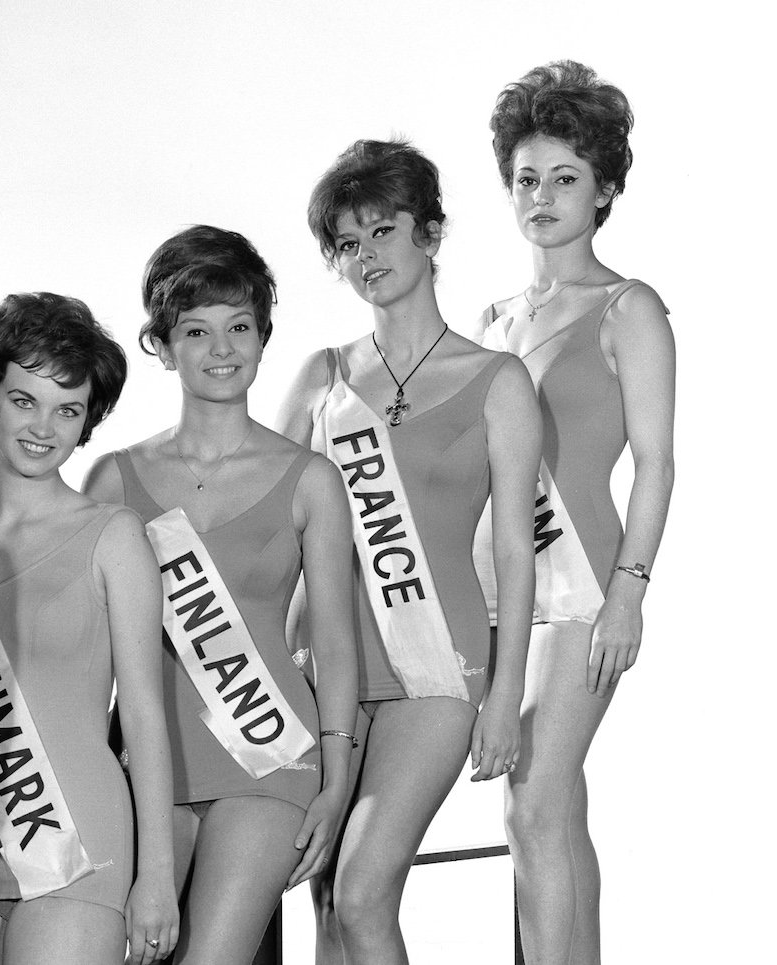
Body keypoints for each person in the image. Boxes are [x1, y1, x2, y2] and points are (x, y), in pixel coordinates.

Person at [275, 139, 541, 964]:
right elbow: (265, 518)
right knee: (325, 900)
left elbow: (517, 552)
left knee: (360, 889)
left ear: (429, 232)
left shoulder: (498, 380)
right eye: (347, 244)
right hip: (329, 661)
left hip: (440, 665)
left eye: (382, 232)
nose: (365, 257)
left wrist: (504, 697)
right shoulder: (323, 376)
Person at [84, 226, 358, 965]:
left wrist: (335, 783)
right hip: (148, 763)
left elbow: (333, 642)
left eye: (239, 326)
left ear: (264, 336)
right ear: (164, 347)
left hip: (270, 761)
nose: (222, 348)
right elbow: (90, 655)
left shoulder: (310, 479)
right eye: (196, 331)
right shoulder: (113, 480)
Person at [474, 61, 675, 965]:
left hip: (587, 585)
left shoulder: (629, 309)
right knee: (552, 805)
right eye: (526, 178)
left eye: (565, 177)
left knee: (535, 798)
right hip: (504, 594)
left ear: (603, 192)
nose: (542, 195)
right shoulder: (490, 319)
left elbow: (659, 461)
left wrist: (631, 591)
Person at [0, 292, 178, 965]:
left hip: (80, 845)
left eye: (68, 409)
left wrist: (156, 876)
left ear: (88, 422)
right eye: (25, 400)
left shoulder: (113, 536)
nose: (44, 427)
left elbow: (141, 714)